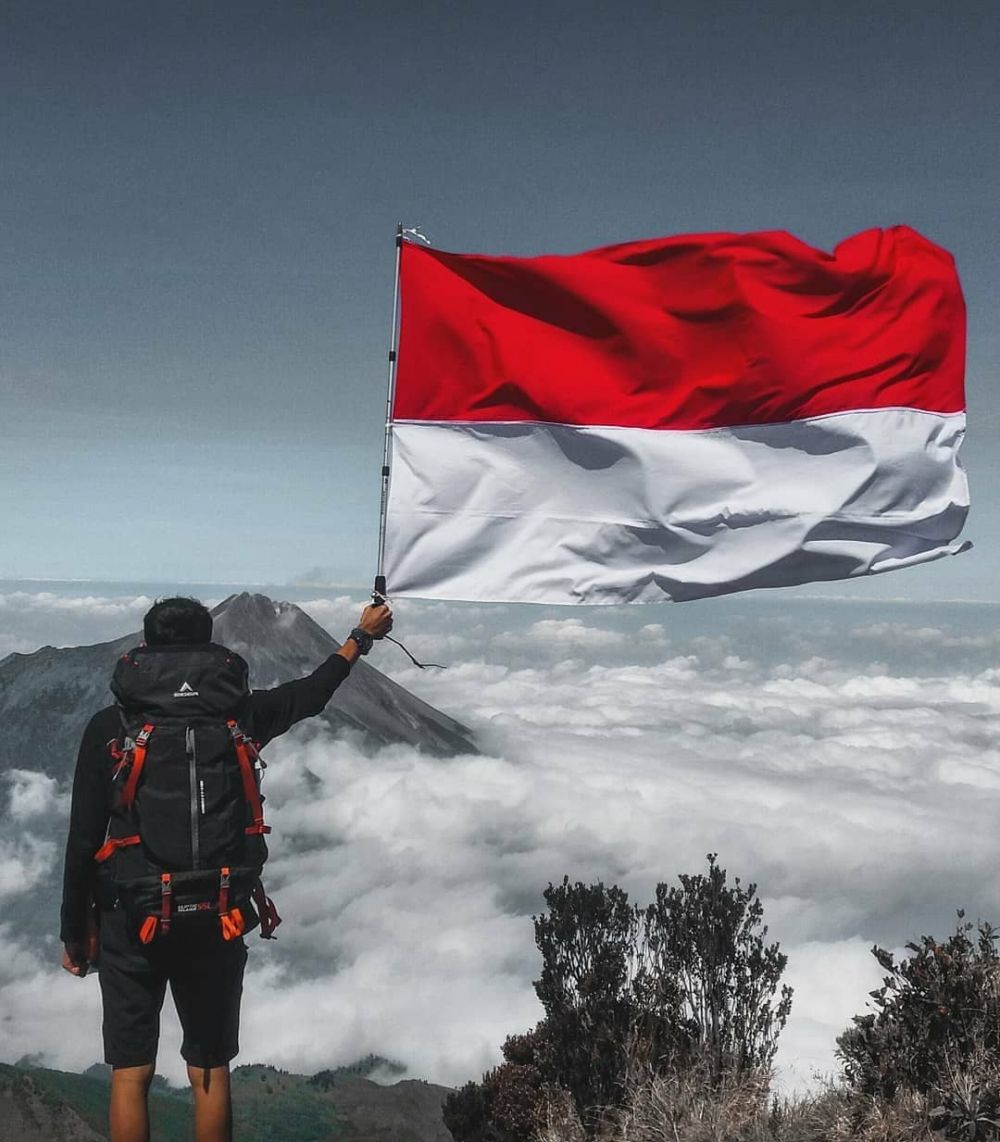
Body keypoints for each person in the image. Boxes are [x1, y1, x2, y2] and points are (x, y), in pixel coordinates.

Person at [59, 595, 393, 1142]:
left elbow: (82, 842)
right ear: (209, 646)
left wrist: (75, 933)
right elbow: (310, 695)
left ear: (144, 648)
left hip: (130, 918)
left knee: (131, 1070)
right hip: (219, 916)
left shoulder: (109, 728)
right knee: (210, 1068)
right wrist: (361, 637)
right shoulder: (240, 717)